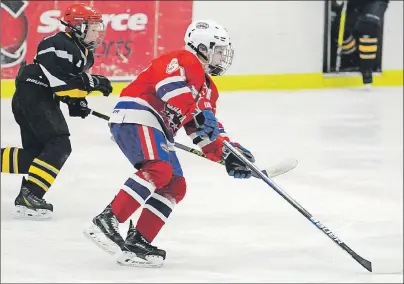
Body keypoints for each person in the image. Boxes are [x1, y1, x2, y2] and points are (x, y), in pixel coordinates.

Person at [84, 19, 255, 267]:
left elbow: (202, 132)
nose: (221, 57)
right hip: (138, 114)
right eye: (217, 50)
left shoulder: (209, 90)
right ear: (202, 47)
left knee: (175, 185)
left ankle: (137, 243)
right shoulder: (183, 60)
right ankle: (105, 221)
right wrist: (196, 112)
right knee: (159, 169)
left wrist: (228, 153)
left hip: (159, 128)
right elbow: (168, 87)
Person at [0, 3, 113, 219]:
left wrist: (76, 103)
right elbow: (60, 82)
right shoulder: (55, 43)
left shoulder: (85, 53)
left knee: (38, 157)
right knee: (59, 146)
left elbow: (67, 90)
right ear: (78, 26)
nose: (98, 31)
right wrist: (92, 82)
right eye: (94, 26)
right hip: (33, 96)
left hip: (42, 99)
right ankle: (30, 195)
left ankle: (29, 193)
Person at [338, 0, 389, 85]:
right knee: (339, 30)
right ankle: (354, 59)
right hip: (353, 3)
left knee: (368, 26)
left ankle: (367, 71)